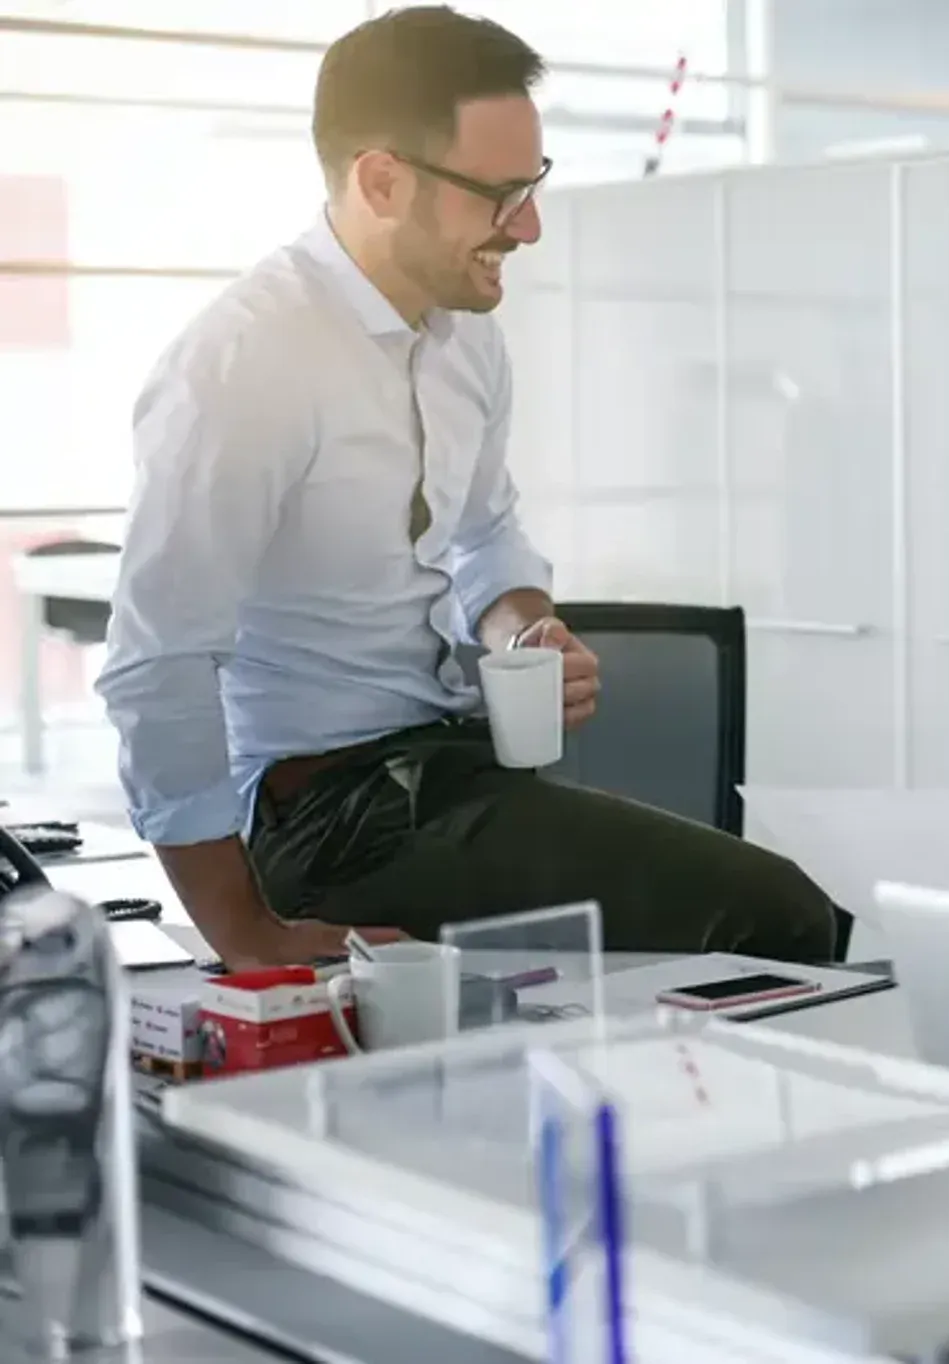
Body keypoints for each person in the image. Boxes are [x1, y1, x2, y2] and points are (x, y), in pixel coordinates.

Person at [95, 7, 836, 972]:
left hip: (445, 767)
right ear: (382, 181)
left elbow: (487, 533)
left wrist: (521, 627)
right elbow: (156, 664)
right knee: (773, 918)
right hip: (317, 817)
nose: (528, 227)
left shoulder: (466, 340)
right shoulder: (244, 362)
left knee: (769, 915)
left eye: (532, 186)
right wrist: (246, 935)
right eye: (499, 195)